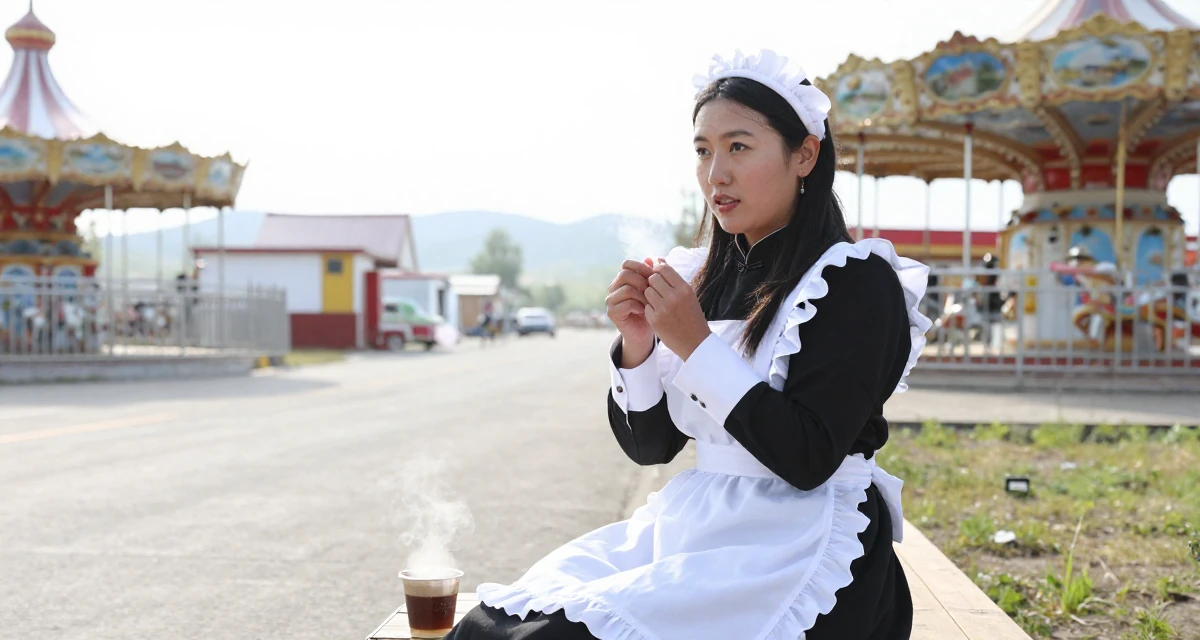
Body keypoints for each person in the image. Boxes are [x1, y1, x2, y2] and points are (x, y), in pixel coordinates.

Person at [446, 49, 930, 640]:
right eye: (703, 151)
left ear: (804, 154)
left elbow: (807, 459)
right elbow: (652, 447)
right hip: (698, 527)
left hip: (802, 542)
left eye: (739, 147)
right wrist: (640, 347)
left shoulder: (853, 280)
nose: (715, 174)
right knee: (489, 627)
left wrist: (696, 345)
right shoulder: (704, 275)